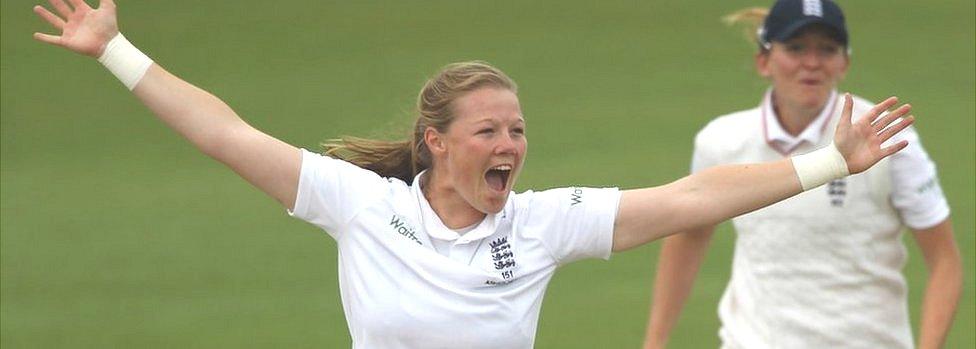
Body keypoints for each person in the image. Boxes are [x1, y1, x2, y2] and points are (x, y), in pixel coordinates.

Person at [33, 0, 916, 348]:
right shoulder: (361, 206)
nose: (511, 144)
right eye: (489, 130)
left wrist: (830, 159)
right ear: (437, 142)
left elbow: (692, 198)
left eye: (519, 129)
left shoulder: (539, 222)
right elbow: (226, 134)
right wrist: (116, 50)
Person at [641, 1, 962, 348]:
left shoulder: (885, 137)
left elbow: (945, 261)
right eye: (795, 48)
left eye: (827, 49)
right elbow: (689, 234)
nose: (812, 63)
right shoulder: (720, 141)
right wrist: (655, 341)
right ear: (764, 61)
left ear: (845, 63)